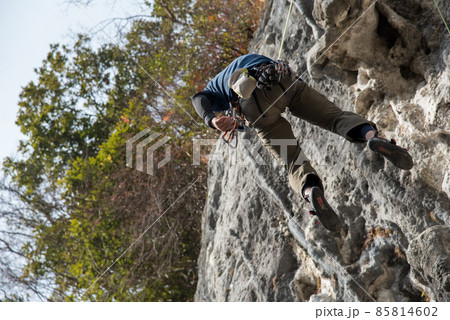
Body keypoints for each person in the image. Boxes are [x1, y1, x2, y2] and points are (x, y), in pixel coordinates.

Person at [191, 54, 413, 232]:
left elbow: (198, 99)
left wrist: (212, 119)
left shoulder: (214, 88)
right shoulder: (242, 61)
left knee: (292, 160)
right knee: (335, 118)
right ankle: (372, 138)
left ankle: (310, 190)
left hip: (254, 104)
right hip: (282, 79)